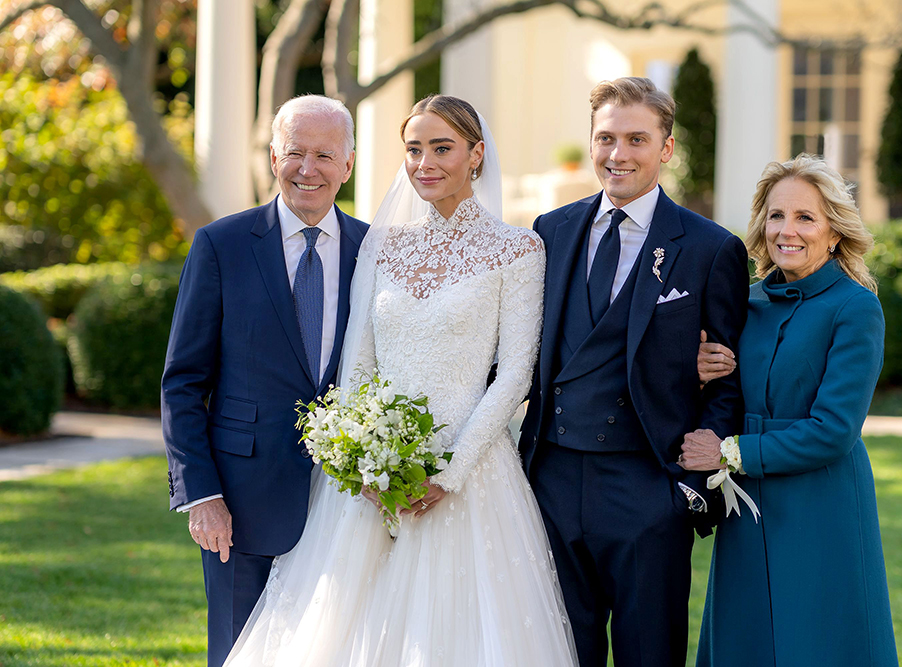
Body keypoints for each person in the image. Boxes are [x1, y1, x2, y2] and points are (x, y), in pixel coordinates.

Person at [219, 95, 578, 666]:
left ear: (476, 154)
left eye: (442, 148)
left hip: (470, 476)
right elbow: (358, 366)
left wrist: (450, 472)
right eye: (414, 149)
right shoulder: (382, 246)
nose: (425, 163)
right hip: (370, 479)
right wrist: (362, 458)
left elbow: (515, 373)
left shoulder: (518, 249)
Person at [517, 76, 749, 667]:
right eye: (606, 138)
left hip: (648, 483)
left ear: (666, 149)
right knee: (562, 650)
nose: (618, 155)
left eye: (637, 140)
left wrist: (686, 489)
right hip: (551, 479)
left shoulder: (709, 248)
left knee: (651, 654)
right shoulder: (551, 231)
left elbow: (727, 380)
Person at [161, 95, 367, 667]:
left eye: (324, 155)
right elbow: (182, 382)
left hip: (348, 501)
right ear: (273, 155)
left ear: (347, 164)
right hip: (240, 500)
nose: (309, 169)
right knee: (238, 652)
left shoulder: (376, 251)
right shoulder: (221, 245)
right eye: (295, 152)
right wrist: (201, 494)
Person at [682, 155, 898, 666]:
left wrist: (730, 451)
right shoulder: (745, 302)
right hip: (746, 507)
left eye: (806, 217)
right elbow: (724, 397)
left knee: (817, 637)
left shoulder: (856, 308)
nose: (788, 231)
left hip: (819, 505)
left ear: (834, 232)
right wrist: (698, 372)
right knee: (746, 636)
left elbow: (834, 430)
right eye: (777, 215)